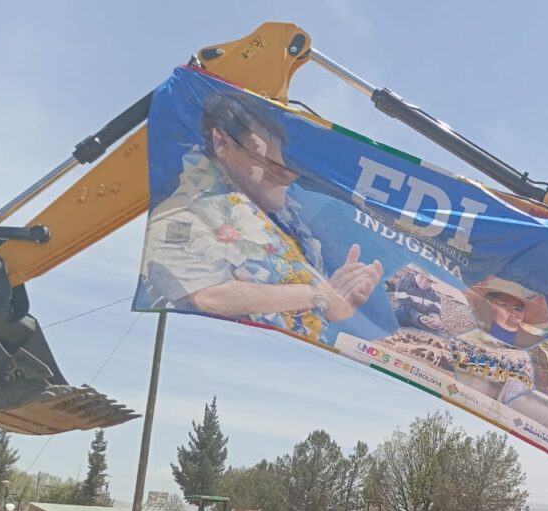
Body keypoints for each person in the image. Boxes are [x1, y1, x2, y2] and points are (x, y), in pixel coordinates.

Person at [139, 89, 386, 342]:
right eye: (267, 159)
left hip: (277, 362)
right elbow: (210, 297)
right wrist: (318, 294)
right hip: (206, 360)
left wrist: (334, 303)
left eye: (285, 162)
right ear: (222, 143)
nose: (288, 175)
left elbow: (303, 312)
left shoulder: (288, 230)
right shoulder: (178, 219)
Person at [466, 277, 548, 348]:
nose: (512, 312)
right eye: (505, 305)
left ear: (524, 314)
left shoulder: (535, 342)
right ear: (493, 305)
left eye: (518, 309)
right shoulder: (475, 321)